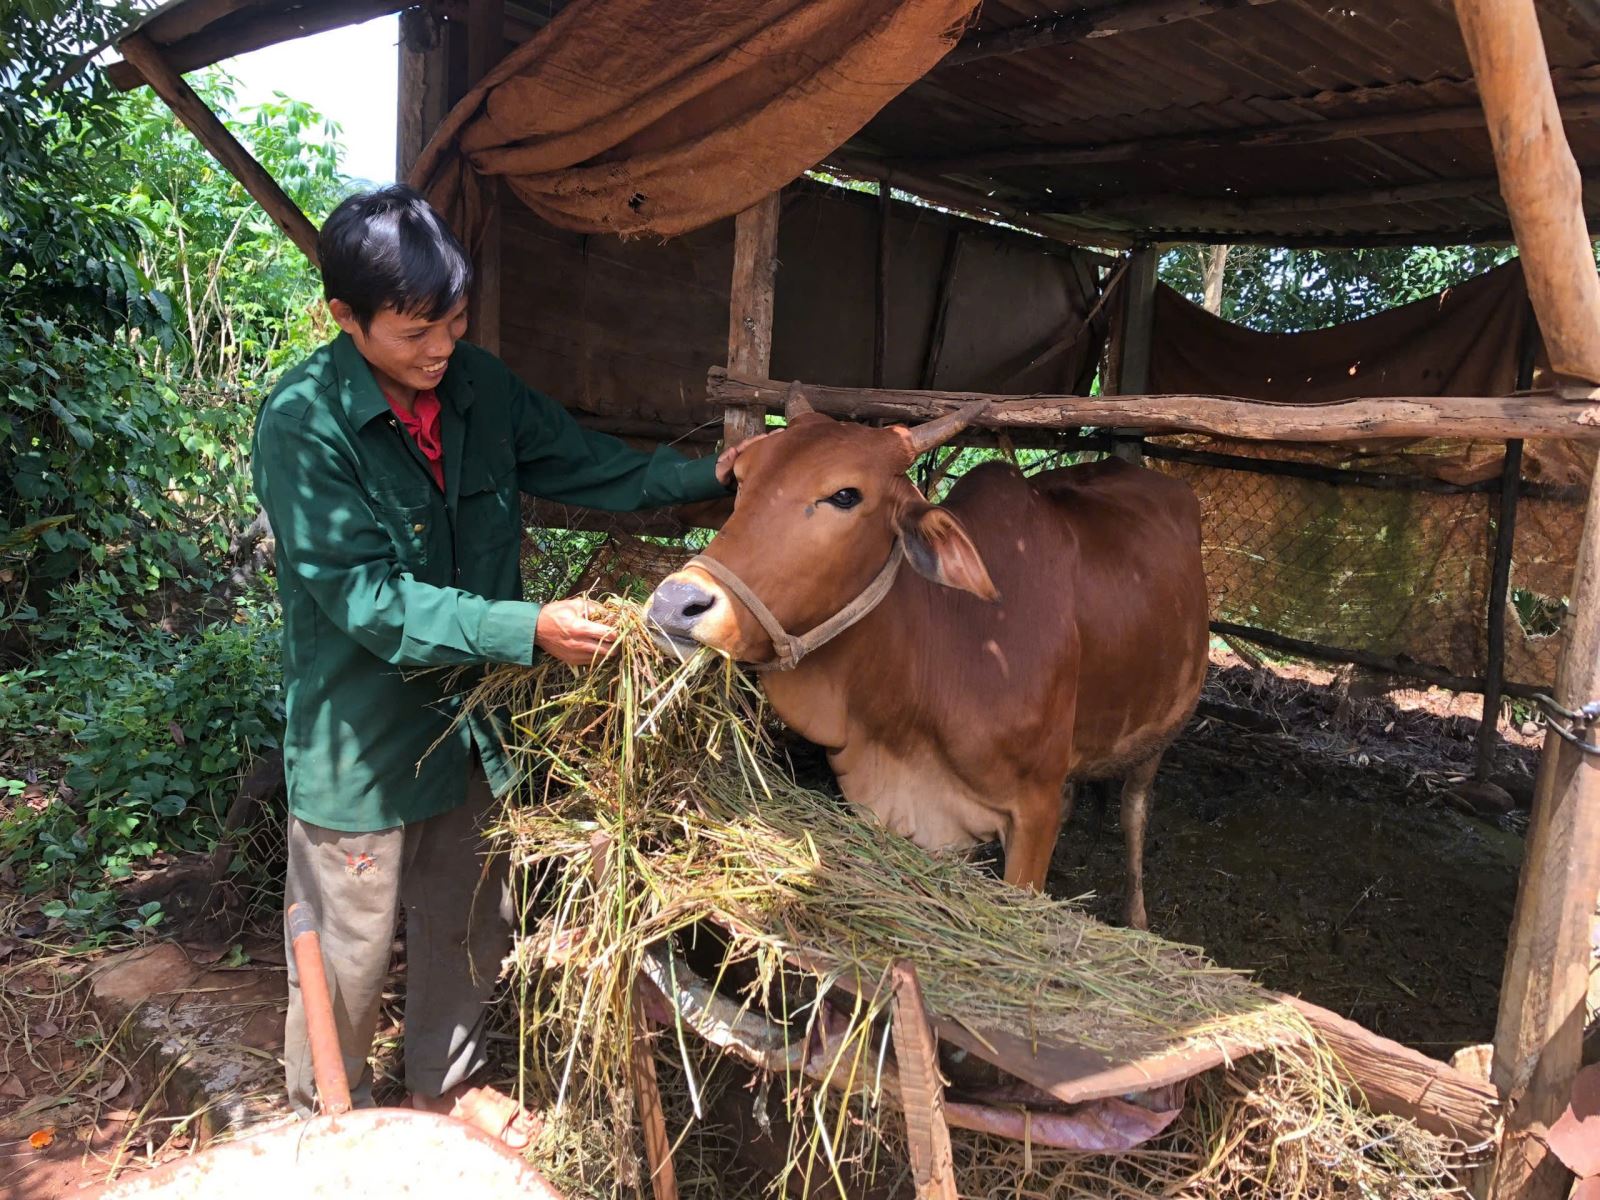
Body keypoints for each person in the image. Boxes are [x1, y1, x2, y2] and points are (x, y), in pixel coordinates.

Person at [252, 184, 755, 1142]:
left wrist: (716, 478)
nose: (439, 348)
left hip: (473, 730)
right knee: (348, 951)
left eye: (452, 320)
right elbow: (368, 602)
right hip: (360, 739)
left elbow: (592, 465)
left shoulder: (477, 387)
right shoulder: (303, 425)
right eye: (413, 333)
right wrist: (525, 630)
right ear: (344, 319)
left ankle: (444, 1087)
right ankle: (327, 1125)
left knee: (467, 919)